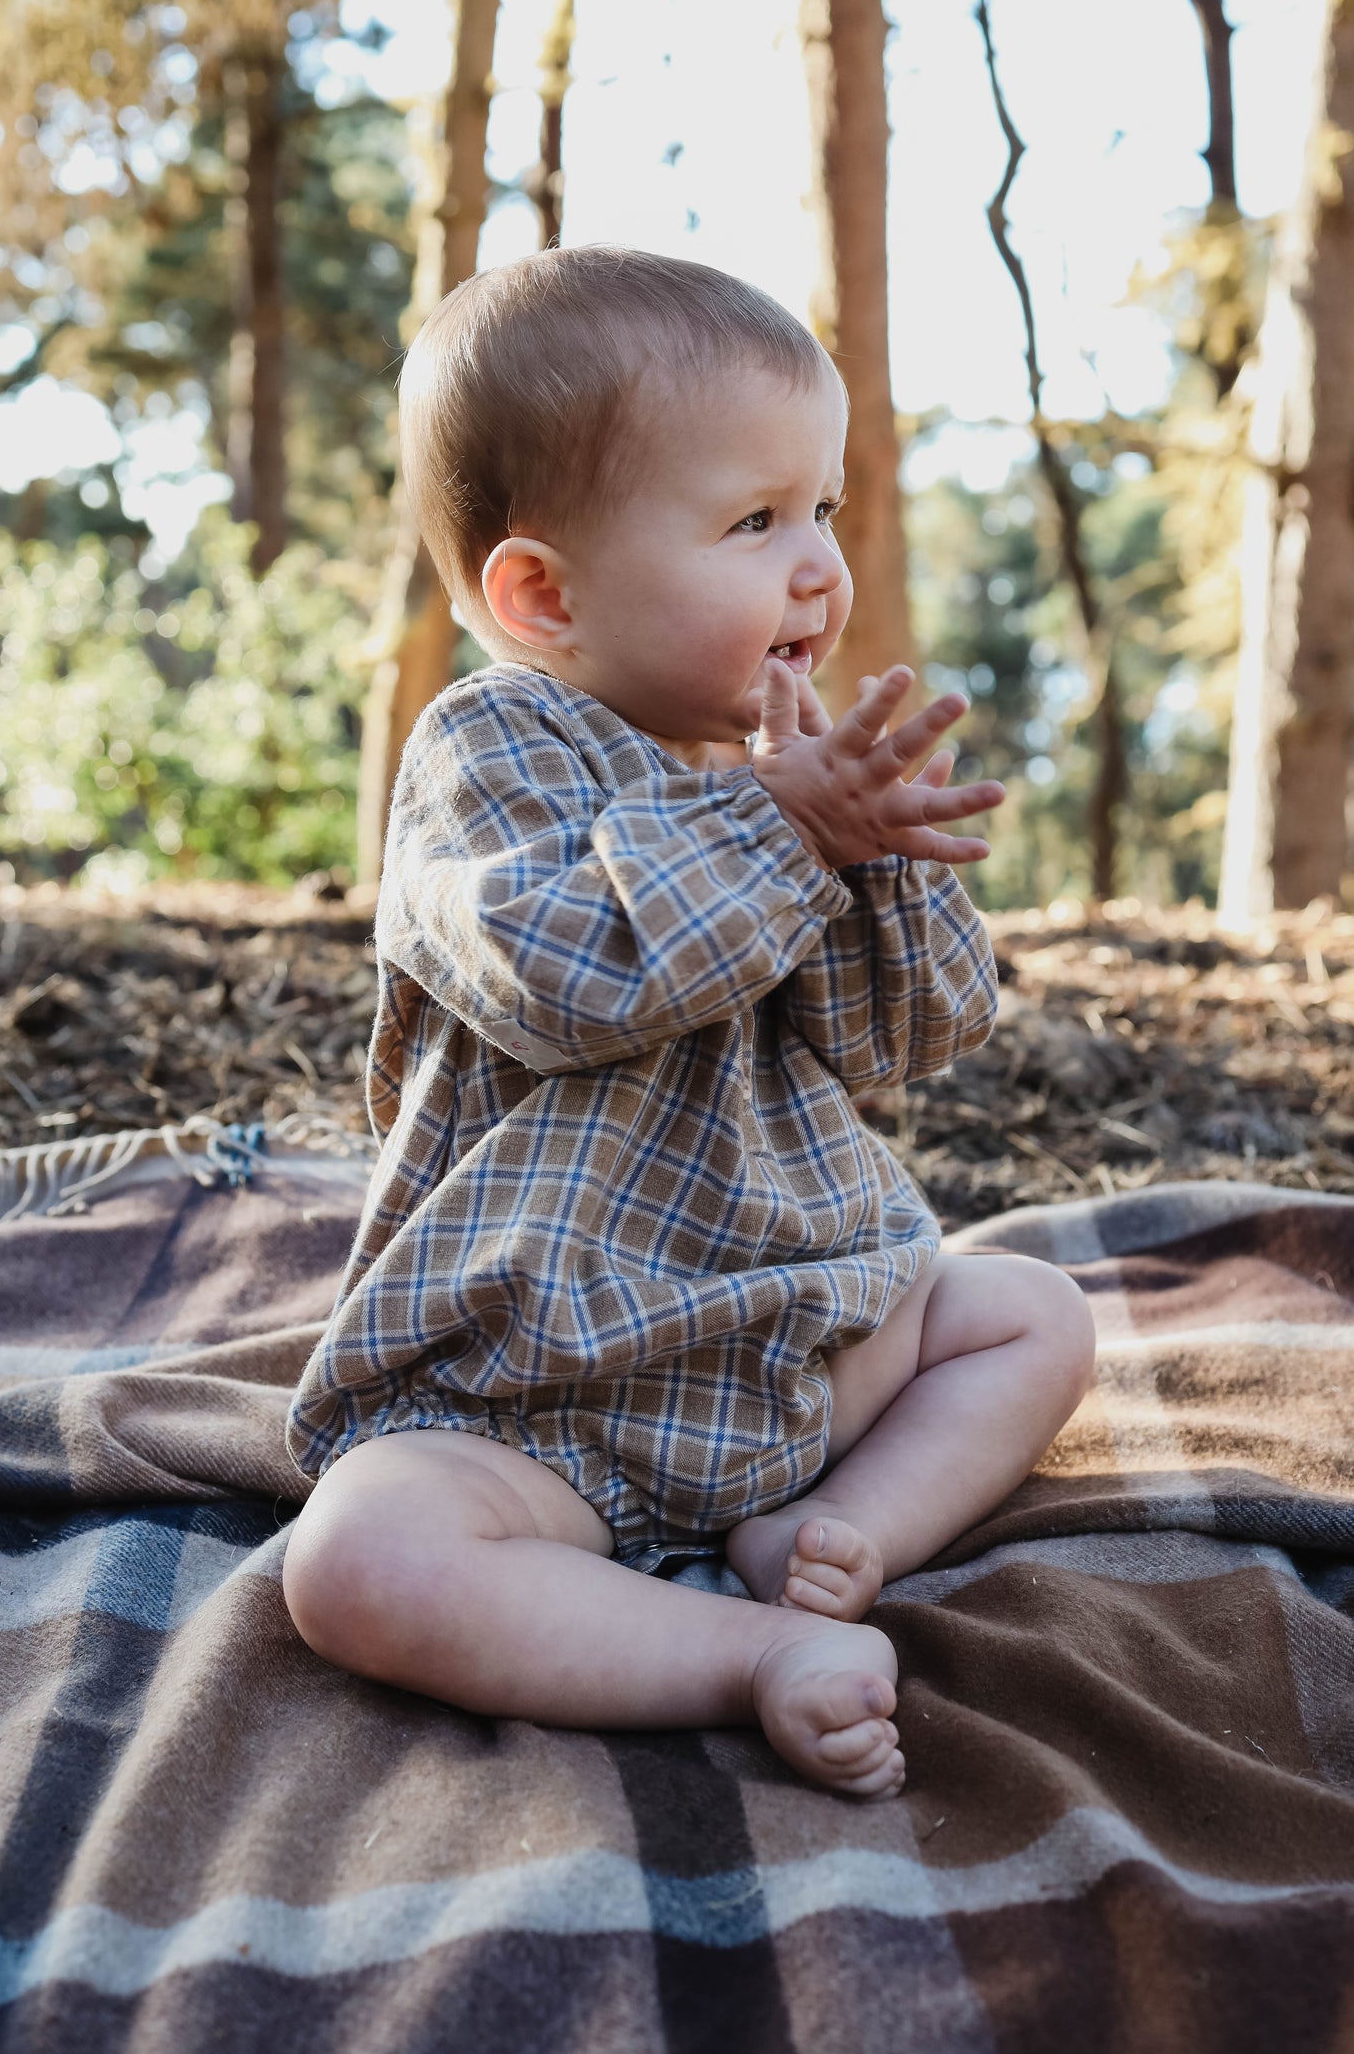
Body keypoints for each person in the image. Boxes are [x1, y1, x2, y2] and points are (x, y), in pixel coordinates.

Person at [282, 245, 1095, 1797]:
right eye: (753, 522)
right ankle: (751, 1652)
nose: (817, 570)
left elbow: (901, 1044)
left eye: (823, 513)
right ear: (543, 592)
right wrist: (788, 836)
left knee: (1029, 1315)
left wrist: (880, 863)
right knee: (358, 1562)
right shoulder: (493, 751)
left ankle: (839, 1532)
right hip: (535, 1395)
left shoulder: (774, 781)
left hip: (790, 1347)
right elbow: (565, 976)